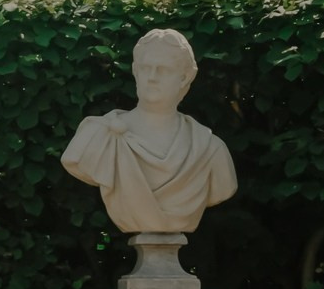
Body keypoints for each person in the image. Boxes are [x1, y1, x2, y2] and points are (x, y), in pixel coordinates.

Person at [60, 28, 237, 235]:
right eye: (145, 68)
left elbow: (224, 188)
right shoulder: (97, 136)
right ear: (135, 71)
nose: (152, 77)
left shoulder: (210, 150)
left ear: (184, 77)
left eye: (163, 70)